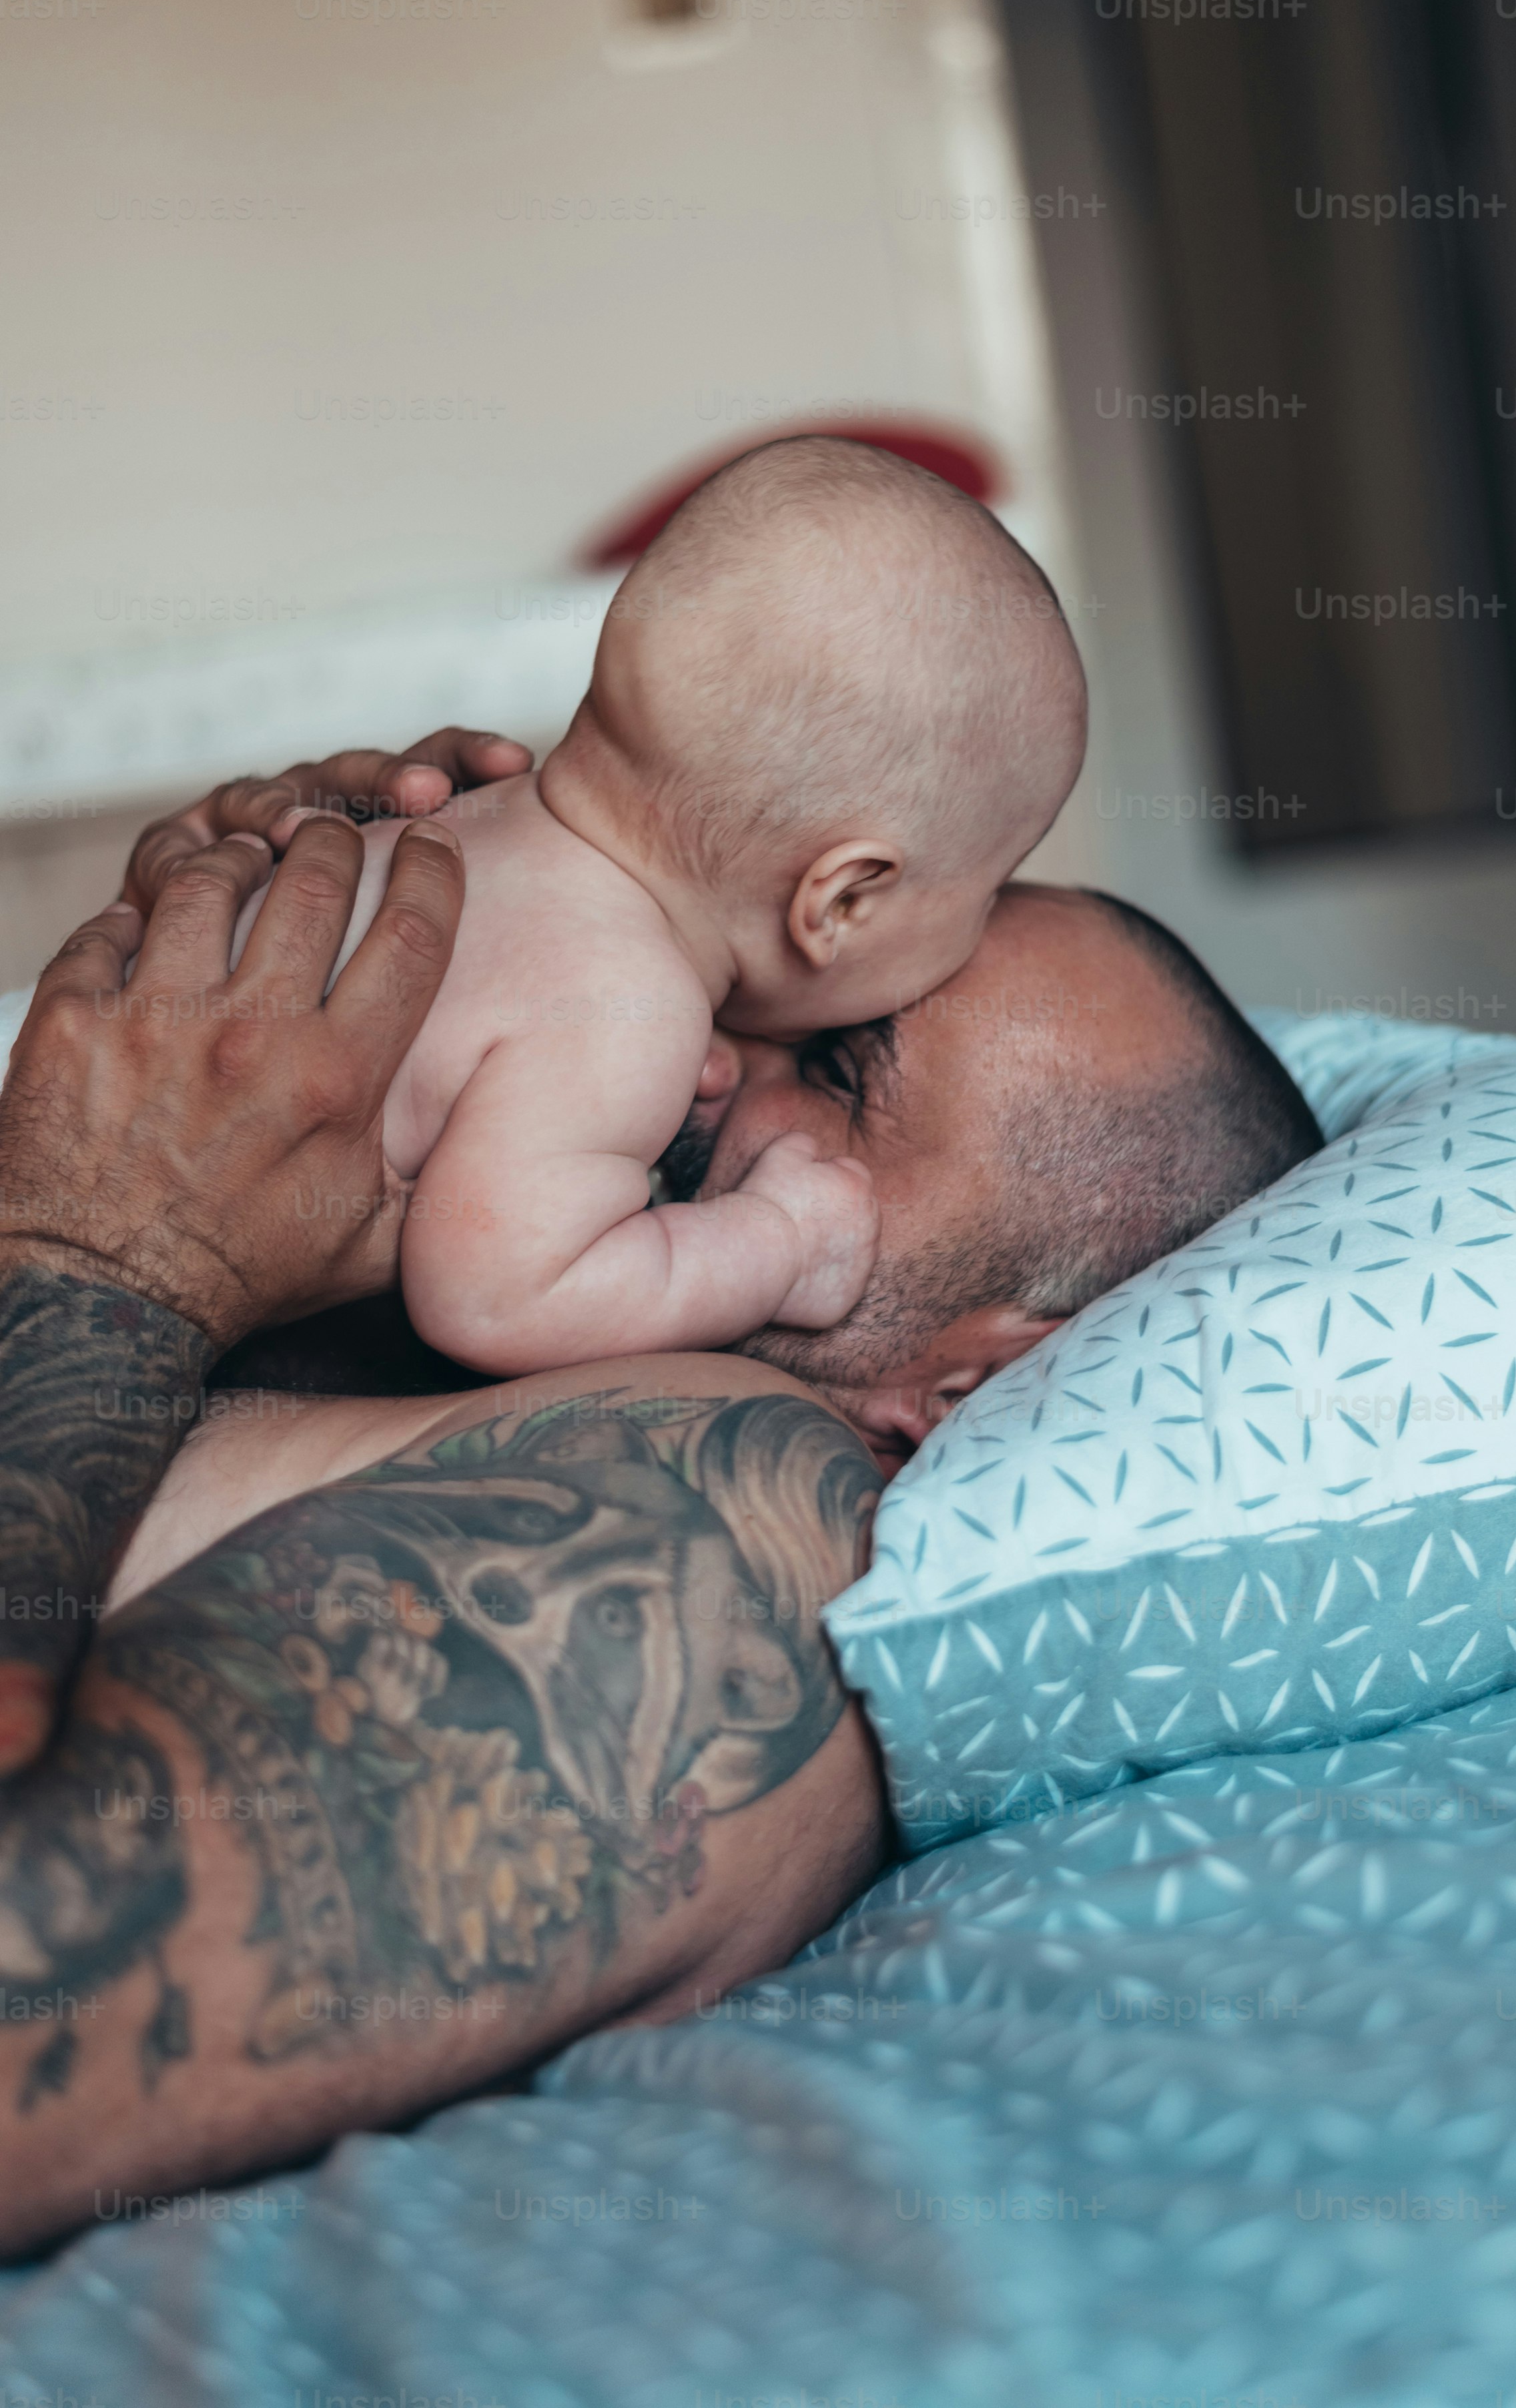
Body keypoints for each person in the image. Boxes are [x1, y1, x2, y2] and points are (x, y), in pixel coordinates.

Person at [0, 730, 1317, 2257]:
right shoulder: (434, 1363)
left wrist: (105, 1250)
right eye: (732, 986)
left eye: (835, 1067)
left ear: (967, 1381)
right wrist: (233, 971)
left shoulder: (734, 1530)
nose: (678, 1044)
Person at [228, 438, 1087, 1378]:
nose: (985, 921)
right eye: (989, 888)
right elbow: (494, 1299)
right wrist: (778, 1241)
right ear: (842, 898)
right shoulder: (624, 1002)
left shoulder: (455, 823)